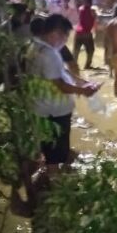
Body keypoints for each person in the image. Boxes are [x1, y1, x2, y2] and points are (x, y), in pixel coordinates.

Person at [25, 14, 100, 165]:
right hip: (54, 114)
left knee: (48, 148)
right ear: (55, 34)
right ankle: (54, 181)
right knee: (55, 157)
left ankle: (46, 172)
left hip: (40, 109)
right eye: (65, 37)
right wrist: (84, 91)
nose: (65, 41)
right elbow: (59, 85)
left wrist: (80, 82)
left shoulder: (33, 46)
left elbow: (60, 72)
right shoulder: (49, 54)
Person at [73, 0, 97, 70]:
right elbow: (95, 18)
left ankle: (73, 65)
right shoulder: (92, 11)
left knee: (76, 50)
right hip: (87, 33)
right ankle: (87, 65)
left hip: (78, 32)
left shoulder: (81, 9)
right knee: (91, 50)